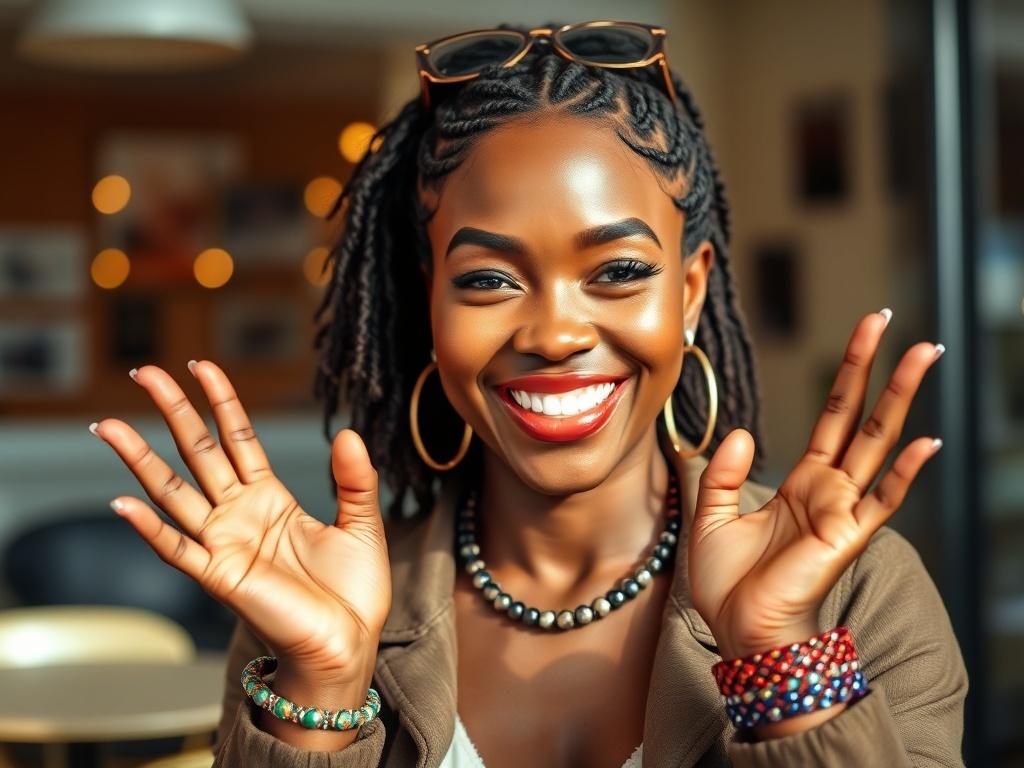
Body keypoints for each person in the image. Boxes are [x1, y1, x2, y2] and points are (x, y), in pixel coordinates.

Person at [90, 20, 968, 767]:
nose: (554, 334)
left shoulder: (864, 595)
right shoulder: (310, 608)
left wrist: (781, 662)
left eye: (618, 271)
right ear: (428, 299)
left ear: (691, 290)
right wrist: (323, 686)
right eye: (486, 281)